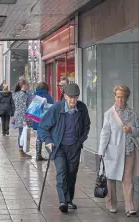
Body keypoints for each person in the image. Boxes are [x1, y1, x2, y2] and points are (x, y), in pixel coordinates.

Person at [39, 83, 90, 213]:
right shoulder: (56, 108)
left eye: (75, 97)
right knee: (62, 172)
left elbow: (86, 126)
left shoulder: (82, 108)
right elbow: (43, 127)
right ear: (65, 96)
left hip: (74, 147)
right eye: (70, 97)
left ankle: (69, 200)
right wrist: (49, 141)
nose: (73, 100)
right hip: (58, 146)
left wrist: (80, 141)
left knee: (71, 174)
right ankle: (63, 201)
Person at [98, 85, 139, 217]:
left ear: (127, 98)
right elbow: (105, 134)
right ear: (114, 97)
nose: (120, 100)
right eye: (117, 97)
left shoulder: (133, 114)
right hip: (113, 151)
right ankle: (111, 204)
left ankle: (130, 207)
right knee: (111, 178)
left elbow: (138, 131)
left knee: (128, 180)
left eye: (122, 97)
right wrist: (101, 151)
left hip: (129, 151)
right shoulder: (109, 114)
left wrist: (131, 130)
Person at [33, 82, 54, 161]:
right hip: (47, 121)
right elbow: (52, 110)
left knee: (39, 136)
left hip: (37, 120)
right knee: (48, 136)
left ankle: (38, 155)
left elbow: (33, 110)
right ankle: (51, 154)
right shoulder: (49, 97)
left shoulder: (36, 97)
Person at [12, 80, 32, 159]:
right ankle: (22, 151)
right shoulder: (23, 95)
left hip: (18, 116)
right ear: (24, 85)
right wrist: (25, 119)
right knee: (22, 134)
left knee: (21, 133)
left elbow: (16, 107)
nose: (28, 86)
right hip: (23, 117)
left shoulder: (16, 94)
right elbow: (23, 108)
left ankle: (22, 151)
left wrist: (14, 117)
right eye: (28, 84)